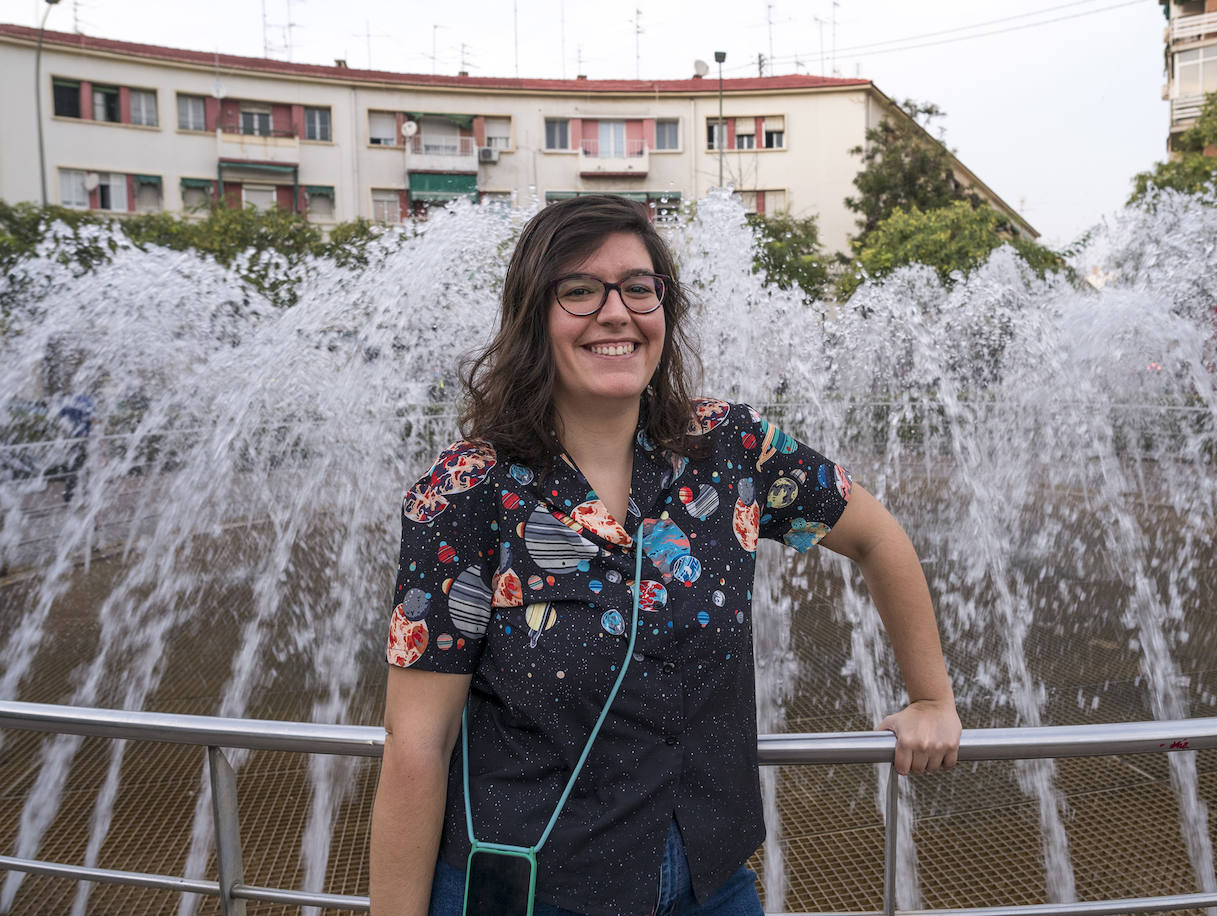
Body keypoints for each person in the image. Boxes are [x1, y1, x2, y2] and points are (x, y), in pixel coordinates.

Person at [368, 196, 960, 916]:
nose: (615, 312)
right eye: (579, 290)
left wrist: (932, 697)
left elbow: (876, 536)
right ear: (533, 315)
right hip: (532, 888)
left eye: (638, 288)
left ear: (663, 309)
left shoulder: (731, 451)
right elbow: (415, 747)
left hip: (709, 881)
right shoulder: (467, 491)